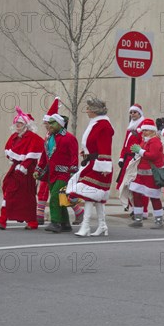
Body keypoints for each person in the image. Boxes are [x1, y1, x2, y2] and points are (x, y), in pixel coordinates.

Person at [0, 107, 44, 230]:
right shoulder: (15, 136)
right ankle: (4, 219)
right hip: (15, 168)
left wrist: (23, 167)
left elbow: (33, 154)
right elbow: (9, 149)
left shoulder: (33, 137)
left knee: (26, 195)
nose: (18, 125)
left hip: (26, 170)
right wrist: (15, 163)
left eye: (20, 123)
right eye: (17, 123)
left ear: (26, 125)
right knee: (10, 190)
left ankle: (26, 221)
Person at [67, 97, 114, 237]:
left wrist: (104, 168)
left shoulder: (103, 126)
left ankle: (86, 226)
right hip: (92, 163)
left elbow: (105, 148)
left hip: (99, 165)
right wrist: (86, 151)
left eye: (88, 108)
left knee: (89, 194)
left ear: (94, 110)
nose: (86, 111)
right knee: (95, 196)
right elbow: (93, 143)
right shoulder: (96, 123)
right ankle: (102, 225)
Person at [34, 114, 79, 233]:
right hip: (51, 173)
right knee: (61, 198)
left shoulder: (69, 138)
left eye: (52, 123)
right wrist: (38, 169)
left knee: (55, 196)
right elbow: (44, 156)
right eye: (49, 123)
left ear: (60, 124)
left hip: (64, 173)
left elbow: (74, 156)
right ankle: (65, 223)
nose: (49, 125)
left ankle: (55, 222)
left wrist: (73, 172)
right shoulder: (48, 137)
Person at [128, 118, 164, 229]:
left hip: (151, 175)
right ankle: (138, 218)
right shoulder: (145, 140)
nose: (144, 132)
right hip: (140, 174)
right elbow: (142, 153)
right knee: (136, 194)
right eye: (143, 130)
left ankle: (159, 221)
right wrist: (136, 153)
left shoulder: (155, 141)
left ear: (152, 131)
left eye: (146, 130)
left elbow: (153, 155)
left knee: (154, 197)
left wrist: (140, 151)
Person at [116, 103, 150, 218]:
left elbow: (144, 142)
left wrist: (137, 155)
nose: (132, 114)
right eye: (131, 112)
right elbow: (125, 144)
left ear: (139, 113)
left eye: (134, 112)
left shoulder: (143, 125)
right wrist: (121, 157)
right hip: (128, 159)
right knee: (127, 185)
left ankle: (142, 210)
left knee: (139, 186)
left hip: (137, 159)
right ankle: (134, 208)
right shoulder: (130, 127)